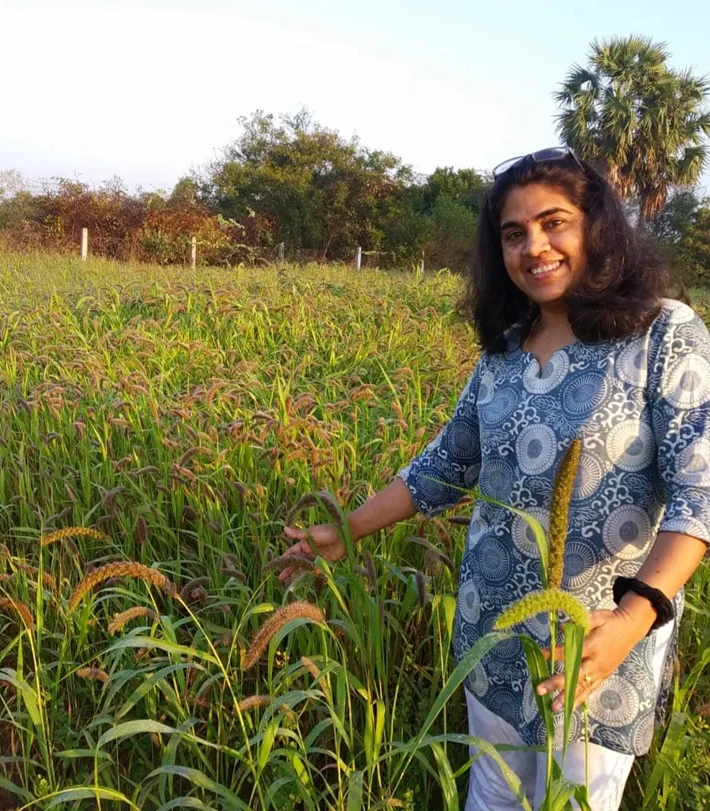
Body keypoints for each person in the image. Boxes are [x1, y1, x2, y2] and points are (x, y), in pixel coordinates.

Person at [276, 148, 710, 810]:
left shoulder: (663, 333)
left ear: (597, 225)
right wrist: (345, 530)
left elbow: (699, 491)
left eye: (553, 222)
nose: (534, 246)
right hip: (493, 630)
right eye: (514, 233)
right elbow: (445, 466)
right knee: (494, 796)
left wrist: (632, 615)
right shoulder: (504, 353)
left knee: (576, 803)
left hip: (594, 645)